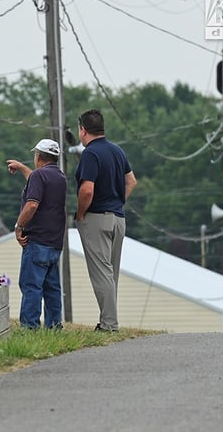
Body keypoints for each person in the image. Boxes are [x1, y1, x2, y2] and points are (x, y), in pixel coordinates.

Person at [74, 108, 137, 332]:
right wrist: (118, 201)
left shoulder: (90, 154)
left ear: (83, 130)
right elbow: (131, 181)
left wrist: (81, 213)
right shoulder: (117, 150)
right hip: (118, 218)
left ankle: (109, 325)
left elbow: (87, 190)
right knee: (111, 274)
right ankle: (107, 320)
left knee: (101, 274)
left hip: (96, 217)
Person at [6, 139, 67, 330]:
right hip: (54, 242)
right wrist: (23, 168)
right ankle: (54, 327)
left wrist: (18, 226)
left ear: (38, 156)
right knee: (52, 289)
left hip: (37, 240)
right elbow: (38, 180)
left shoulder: (39, 176)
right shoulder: (60, 177)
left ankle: (30, 328)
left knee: (31, 286)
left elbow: (32, 204)